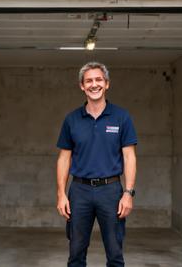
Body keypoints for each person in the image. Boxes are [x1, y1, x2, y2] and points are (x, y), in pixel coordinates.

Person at [56, 62, 137, 267]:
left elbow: (129, 157)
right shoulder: (72, 120)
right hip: (79, 191)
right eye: (89, 81)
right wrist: (61, 193)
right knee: (75, 254)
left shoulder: (121, 117)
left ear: (107, 84)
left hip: (111, 191)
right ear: (82, 86)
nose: (94, 84)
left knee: (115, 254)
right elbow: (64, 158)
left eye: (99, 80)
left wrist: (128, 193)